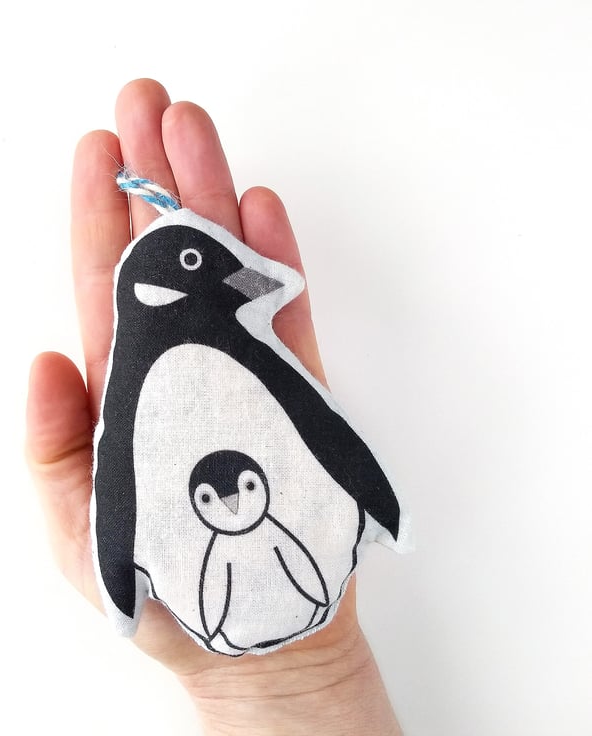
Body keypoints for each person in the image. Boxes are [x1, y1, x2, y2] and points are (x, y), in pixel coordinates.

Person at [25, 78, 402, 735]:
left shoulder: (211, 368)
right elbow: (312, 427)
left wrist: (120, 578)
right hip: (220, 609)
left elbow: (316, 430)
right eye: (205, 263)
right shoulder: (159, 383)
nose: (251, 281)